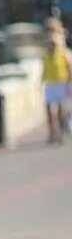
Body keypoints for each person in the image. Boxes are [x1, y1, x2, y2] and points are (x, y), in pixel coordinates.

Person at [42, 17, 72, 145]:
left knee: (60, 108)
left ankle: (59, 131)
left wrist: (70, 79)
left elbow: (67, 62)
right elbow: (44, 61)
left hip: (61, 79)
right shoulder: (46, 45)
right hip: (50, 80)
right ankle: (52, 132)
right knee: (49, 108)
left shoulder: (60, 43)